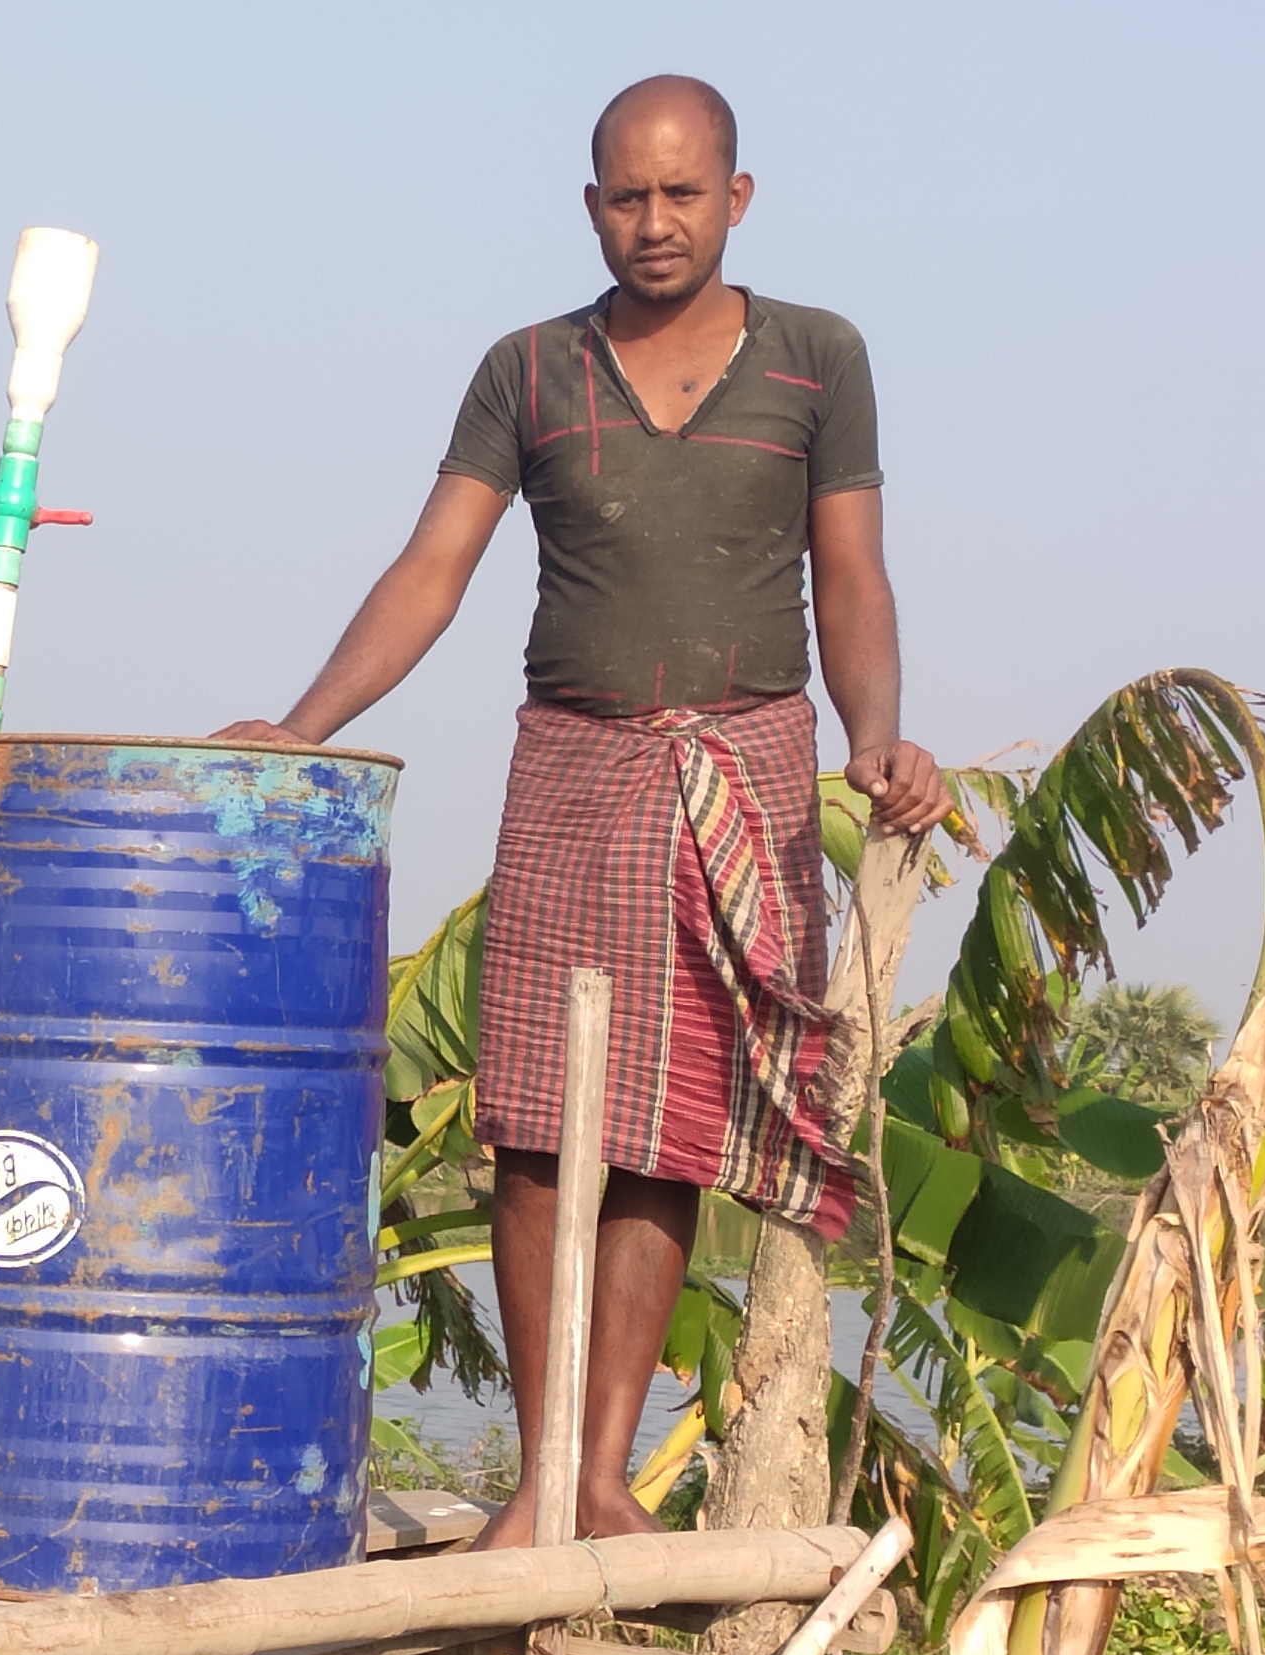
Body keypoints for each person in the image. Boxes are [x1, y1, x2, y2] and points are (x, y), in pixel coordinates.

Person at [217, 74, 952, 1549]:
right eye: (627, 196)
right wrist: (302, 727)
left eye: (682, 194)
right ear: (591, 207)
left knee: (672, 1129)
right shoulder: (529, 369)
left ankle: (601, 1479)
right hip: (572, 762)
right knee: (541, 1126)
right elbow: (433, 567)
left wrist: (877, 740)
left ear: (736, 199)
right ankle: (541, 1478)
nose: (654, 221)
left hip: (745, 763)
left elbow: (851, 574)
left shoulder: (817, 356)